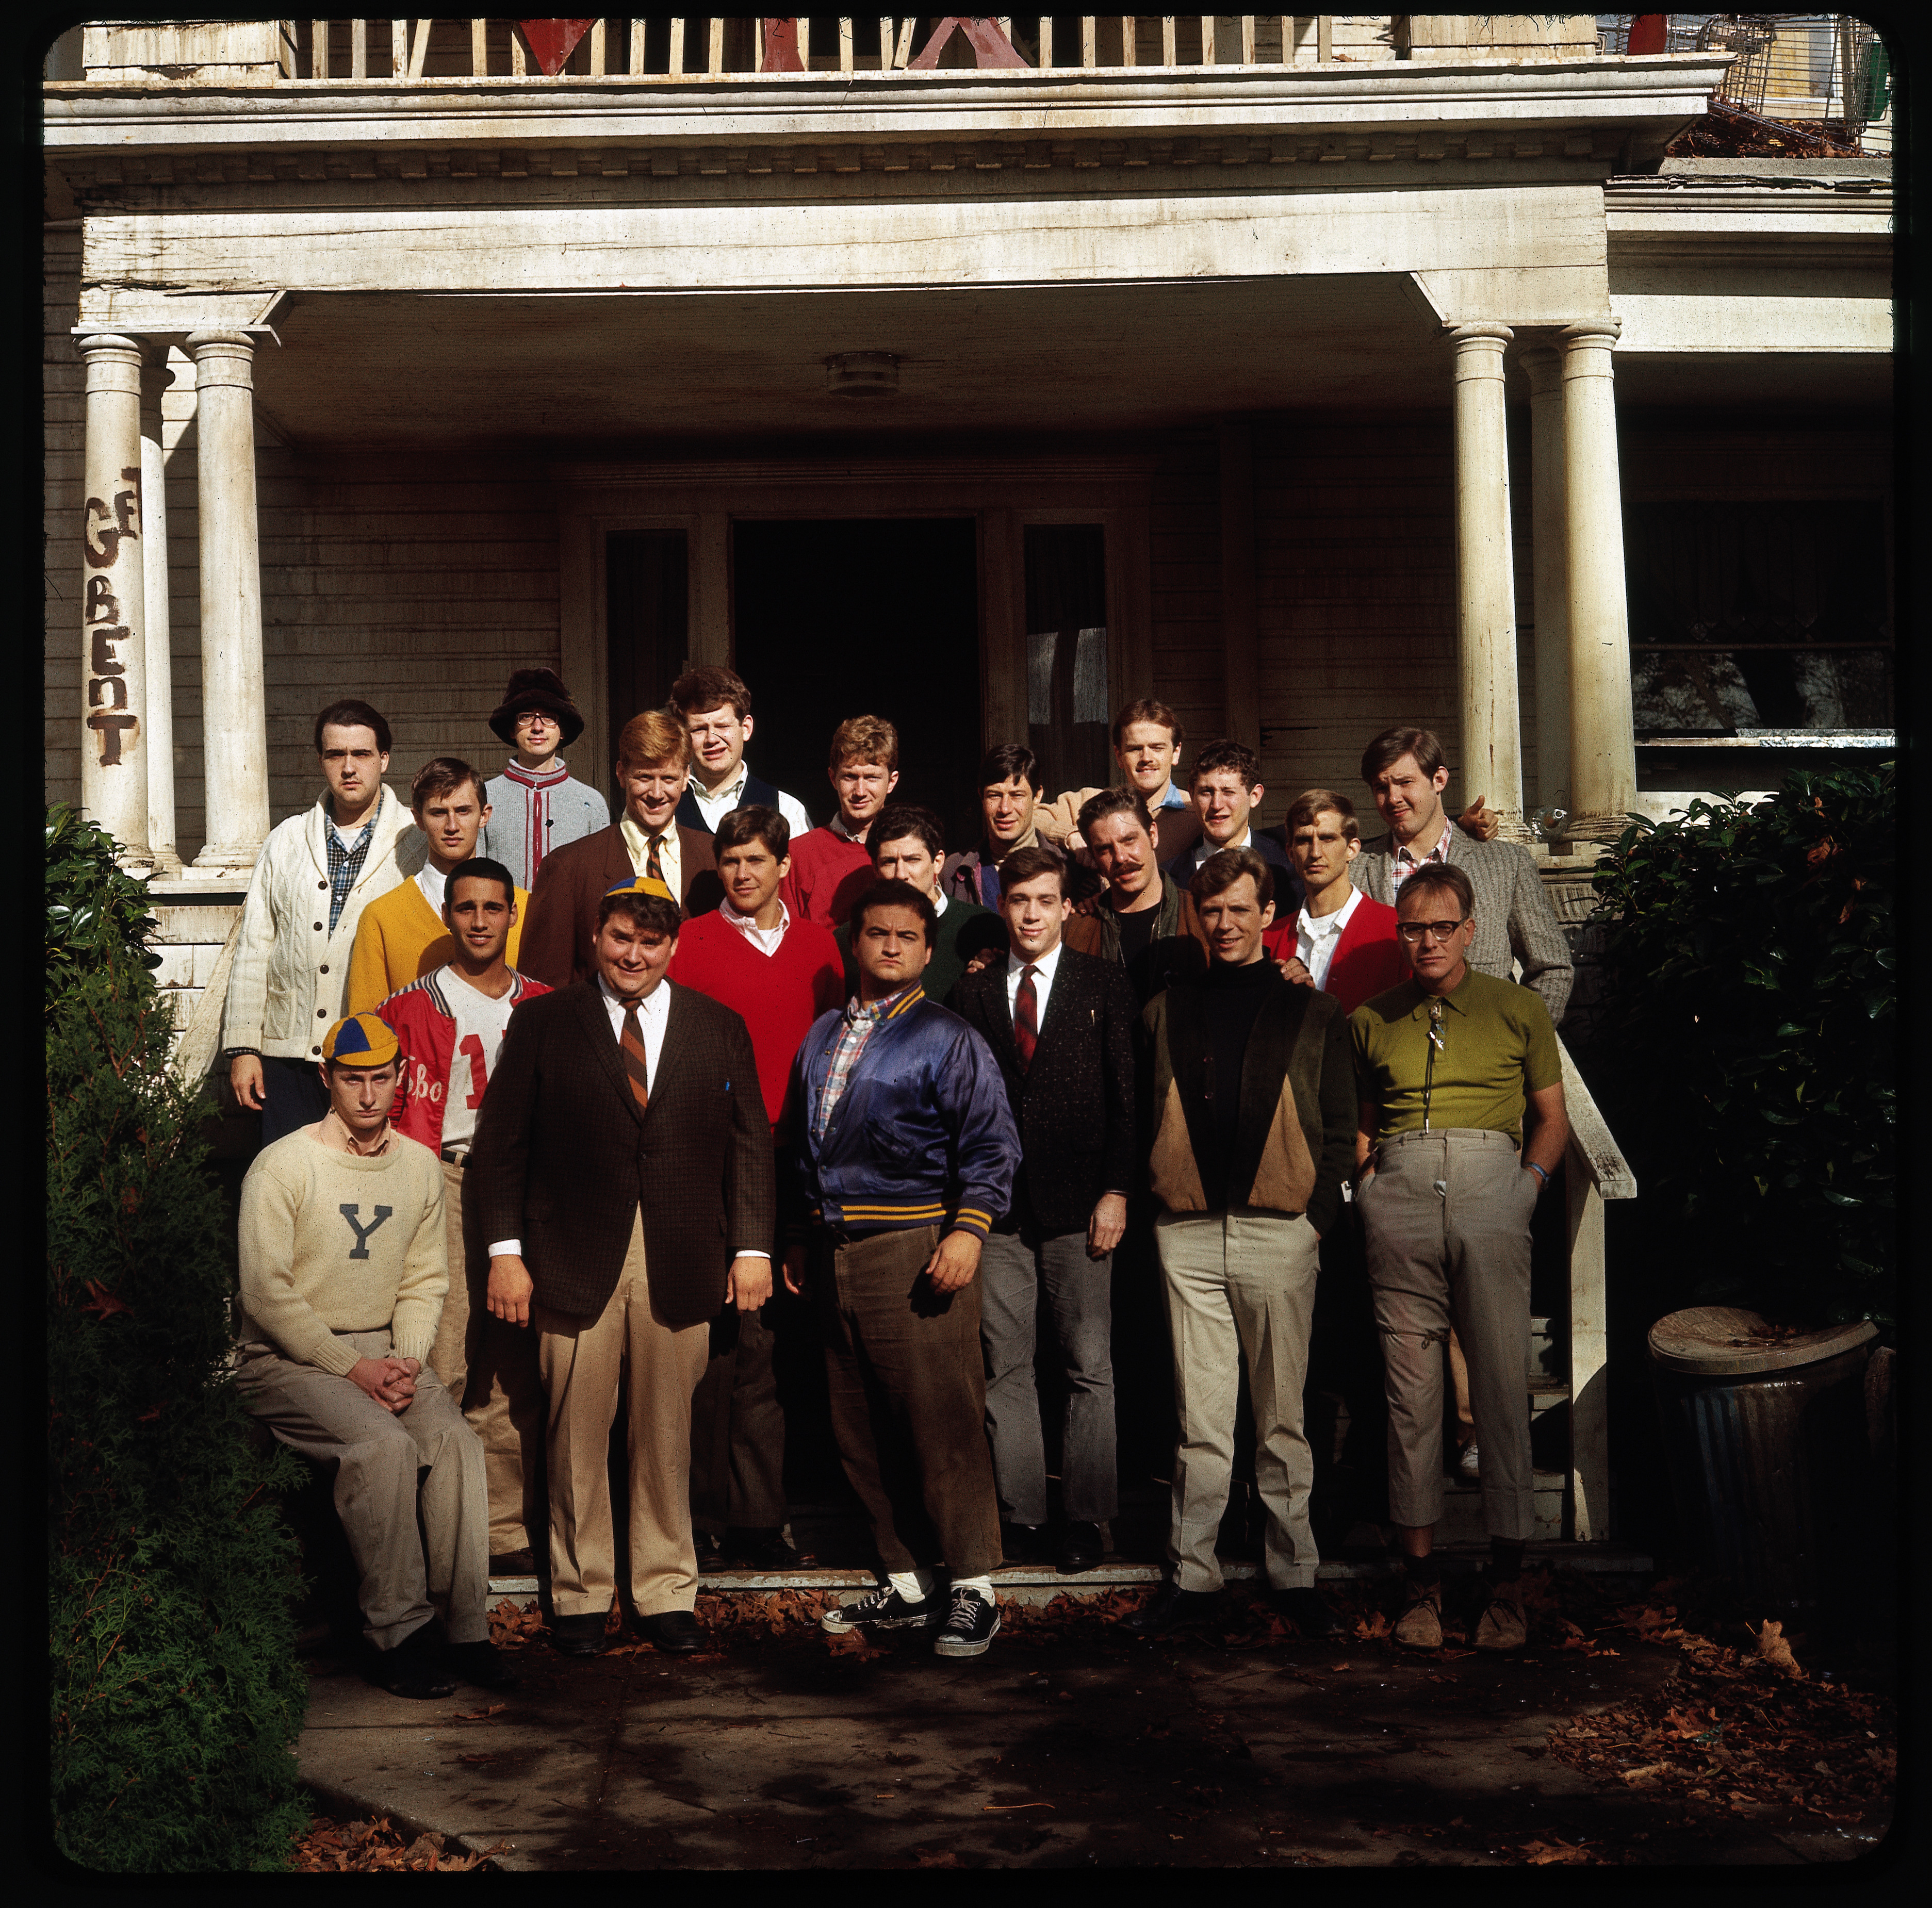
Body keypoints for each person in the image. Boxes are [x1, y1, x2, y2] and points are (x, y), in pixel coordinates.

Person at [468, 876, 774, 1658]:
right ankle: (579, 1591)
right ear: (596, 939)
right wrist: (506, 1256)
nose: (632, 955)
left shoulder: (717, 1026)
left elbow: (748, 1145)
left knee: (667, 1432)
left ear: (671, 947)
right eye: (618, 939)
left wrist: (750, 1247)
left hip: (680, 1254)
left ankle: (665, 1588)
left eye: (649, 942)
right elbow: (501, 1150)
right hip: (569, 1256)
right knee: (574, 1433)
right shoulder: (541, 1024)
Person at [235, 1012, 511, 1698]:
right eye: (351, 1080)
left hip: (384, 1354)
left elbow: (424, 1282)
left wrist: (408, 1362)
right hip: (286, 1359)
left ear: (400, 1082)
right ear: (326, 1080)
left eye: (379, 1079)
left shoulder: (417, 1167)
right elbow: (268, 1297)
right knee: (381, 1447)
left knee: (452, 1440)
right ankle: (398, 1635)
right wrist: (351, 1369)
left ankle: (464, 1629)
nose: (366, 1095)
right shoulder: (284, 1165)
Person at [1125, 848, 1355, 1642]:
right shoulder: (1163, 1008)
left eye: (1238, 910)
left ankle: (1294, 1574)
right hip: (1185, 1232)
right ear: (1196, 914)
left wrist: (1315, 1218)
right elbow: (1138, 1114)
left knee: (1282, 1418)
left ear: (1267, 915)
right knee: (1201, 1419)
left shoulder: (1312, 1011)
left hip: (1278, 1232)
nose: (1223, 924)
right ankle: (1193, 1577)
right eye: (1210, 910)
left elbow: (1339, 1127)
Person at [788, 880, 1022, 1659]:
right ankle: (907, 1577)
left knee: (939, 1417)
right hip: (834, 1249)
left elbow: (991, 1144)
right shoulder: (823, 1032)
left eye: (905, 937)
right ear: (854, 942)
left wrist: (967, 1230)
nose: (889, 947)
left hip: (916, 1244)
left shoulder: (947, 1036)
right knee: (857, 1420)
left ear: (928, 950)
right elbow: (803, 1145)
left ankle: (975, 1587)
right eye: (876, 934)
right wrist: (799, 1234)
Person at [1351, 862, 1569, 1654]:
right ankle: (1420, 1587)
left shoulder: (1516, 1009)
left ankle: (1506, 1585)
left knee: (1502, 1384)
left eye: (1442, 927)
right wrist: (1369, 1186)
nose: (1427, 941)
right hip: (1401, 1197)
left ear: (1471, 931)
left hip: (1491, 1191)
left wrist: (1525, 1189)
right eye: (1412, 928)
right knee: (1411, 1397)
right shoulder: (1372, 1018)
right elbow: (1363, 1126)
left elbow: (1551, 1118)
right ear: (1399, 934)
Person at [666, 806, 844, 1573]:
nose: (742, 874)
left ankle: (761, 1518)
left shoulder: (817, 945)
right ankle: (701, 1516)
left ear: (782, 869)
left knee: (773, 1347)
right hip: (712, 1162)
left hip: (796, 1162)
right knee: (714, 1346)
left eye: (756, 862)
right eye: (731, 862)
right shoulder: (693, 943)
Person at [952, 845, 1138, 1574]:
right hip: (998, 1211)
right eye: (1018, 900)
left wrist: (1117, 1189)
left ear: (1067, 907)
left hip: (1082, 1205)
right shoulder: (970, 996)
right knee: (1007, 1367)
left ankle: (1087, 1519)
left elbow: (1128, 1096)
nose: (1030, 913)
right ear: (1004, 905)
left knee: (1088, 1364)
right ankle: (1021, 1515)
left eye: (1044, 901)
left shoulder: (1103, 984)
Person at [380, 855, 552, 1576]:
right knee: (446, 1356)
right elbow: (383, 1106)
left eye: (492, 908)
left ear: (513, 916)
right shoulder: (409, 1006)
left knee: (514, 1360)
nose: (479, 921)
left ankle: (504, 1529)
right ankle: (434, 1526)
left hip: (529, 1189)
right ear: (448, 915)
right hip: (446, 1181)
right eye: (465, 908)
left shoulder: (545, 1003)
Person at [223, 699, 427, 1144]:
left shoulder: (417, 840)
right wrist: (243, 1049)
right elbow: (255, 947)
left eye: (362, 754)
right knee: (290, 1186)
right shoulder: (286, 840)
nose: (349, 768)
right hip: (287, 1056)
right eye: (336, 755)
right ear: (321, 761)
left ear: (384, 759)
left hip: (372, 1060)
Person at [1352, 727, 1571, 1024]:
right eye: (1381, 788)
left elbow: (1553, 968)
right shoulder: (1354, 870)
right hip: (1391, 1059)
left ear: (1439, 780)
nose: (1393, 798)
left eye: (1406, 783)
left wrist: (1519, 1043)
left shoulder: (1507, 865)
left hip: (1486, 1058)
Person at [517, 709, 722, 990]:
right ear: (622, 774)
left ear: (687, 777)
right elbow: (541, 991)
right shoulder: (569, 867)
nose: (657, 794)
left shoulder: (715, 859)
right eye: (644, 778)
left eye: (669, 779)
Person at [348, 758, 529, 1014]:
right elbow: (366, 1027)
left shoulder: (525, 908)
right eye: (438, 813)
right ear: (419, 819)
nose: (452, 827)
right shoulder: (381, 917)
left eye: (464, 811)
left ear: (484, 815)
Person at [833, 804, 1009, 1004]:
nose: (901, 874)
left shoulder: (984, 928)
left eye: (912, 860)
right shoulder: (849, 939)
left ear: (938, 862)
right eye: (889, 862)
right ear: (875, 868)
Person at [1059, 787, 1206, 1006]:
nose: (1120, 857)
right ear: (1092, 856)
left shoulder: (1201, 917)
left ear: (1153, 835)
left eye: (1129, 840)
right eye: (1105, 849)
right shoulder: (1076, 929)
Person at [479, 669, 610, 894]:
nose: (537, 727)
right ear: (512, 729)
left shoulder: (590, 802)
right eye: (526, 717)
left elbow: (599, 881)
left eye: (549, 717)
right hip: (506, 926)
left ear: (562, 731)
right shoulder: (485, 797)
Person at [1279, 789, 1405, 1016]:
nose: (1315, 852)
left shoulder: (1394, 929)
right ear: (1290, 853)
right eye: (1304, 840)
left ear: (1352, 849)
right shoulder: (1268, 936)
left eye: (1327, 839)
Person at [1036, 697, 1203, 866]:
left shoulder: (1199, 811)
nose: (1146, 758)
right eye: (1135, 749)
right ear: (1119, 756)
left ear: (1176, 753)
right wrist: (1070, 835)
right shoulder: (1093, 802)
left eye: (1157, 748)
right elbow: (1031, 816)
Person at [941, 743, 1100, 911]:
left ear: (1037, 796)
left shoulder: (1072, 871)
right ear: (981, 796)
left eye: (1017, 795)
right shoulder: (955, 871)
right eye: (994, 796)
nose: (1005, 809)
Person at [666, 664, 814, 841]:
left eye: (722, 726)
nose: (711, 739)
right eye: (699, 729)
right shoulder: (664, 802)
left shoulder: (786, 810)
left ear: (746, 728)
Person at [779, 714, 902, 929]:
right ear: (832, 778)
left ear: (891, 782)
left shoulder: (912, 852)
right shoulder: (799, 855)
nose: (860, 791)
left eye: (872, 777)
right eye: (850, 777)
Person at [1168, 740, 1302, 915]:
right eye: (1206, 792)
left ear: (1255, 796)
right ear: (1192, 794)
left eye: (1228, 792)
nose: (1216, 805)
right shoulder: (1169, 877)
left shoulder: (1290, 866)